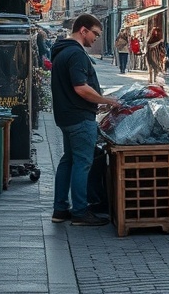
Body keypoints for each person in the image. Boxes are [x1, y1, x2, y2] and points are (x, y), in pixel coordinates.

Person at [50, 13, 121, 226]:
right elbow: (80, 87)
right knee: (82, 163)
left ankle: (60, 209)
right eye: (95, 34)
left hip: (66, 116)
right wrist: (106, 99)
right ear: (83, 30)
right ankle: (80, 212)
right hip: (80, 118)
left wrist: (96, 103)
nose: (95, 39)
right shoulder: (77, 54)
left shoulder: (61, 51)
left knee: (68, 160)